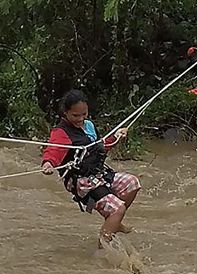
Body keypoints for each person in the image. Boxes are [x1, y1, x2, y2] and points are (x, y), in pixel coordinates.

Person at [40, 90, 142, 244]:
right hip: (81, 181)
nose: (81, 119)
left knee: (132, 183)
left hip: (99, 173)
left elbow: (99, 146)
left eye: (84, 114)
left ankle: (113, 222)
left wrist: (116, 137)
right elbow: (54, 150)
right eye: (76, 116)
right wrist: (48, 163)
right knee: (118, 209)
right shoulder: (61, 133)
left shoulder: (89, 126)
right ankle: (103, 248)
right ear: (65, 113)